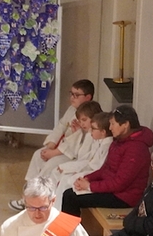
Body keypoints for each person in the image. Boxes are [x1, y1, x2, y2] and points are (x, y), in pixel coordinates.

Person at [10, 79, 94, 210]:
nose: (72, 97)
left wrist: (54, 153)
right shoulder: (71, 109)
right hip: (63, 148)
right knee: (38, 155)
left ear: (88, 97)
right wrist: (50, 144)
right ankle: (28, 194)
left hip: (71, 154)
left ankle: (38, 199)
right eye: (71, 94)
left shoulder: (91, 115)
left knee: (50, 165)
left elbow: (77, 141)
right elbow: (61, 126)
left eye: (77, 95)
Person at [61, 104, 153, 216]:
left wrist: (90, 186)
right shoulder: (118, 142)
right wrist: (87, 178)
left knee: (71, 197)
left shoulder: (136, 149)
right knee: (71, 190)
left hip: (124, 196)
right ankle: (71, 227)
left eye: (113, 124)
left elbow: (120, 183)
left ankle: (71, 228)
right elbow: (105, 169)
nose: (110, 128)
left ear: (125, 124)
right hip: (112, 189)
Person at [53, 110, 111, 200]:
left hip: (93, 174)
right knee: (60, 173)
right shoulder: (99, 142)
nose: (90, 130)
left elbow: (97, 168)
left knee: (67, 181)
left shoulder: (106, 146)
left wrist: (78, 172)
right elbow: (85, 158)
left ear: (103, 132)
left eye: (93, 128)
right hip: (86, 169)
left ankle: (58, 206)